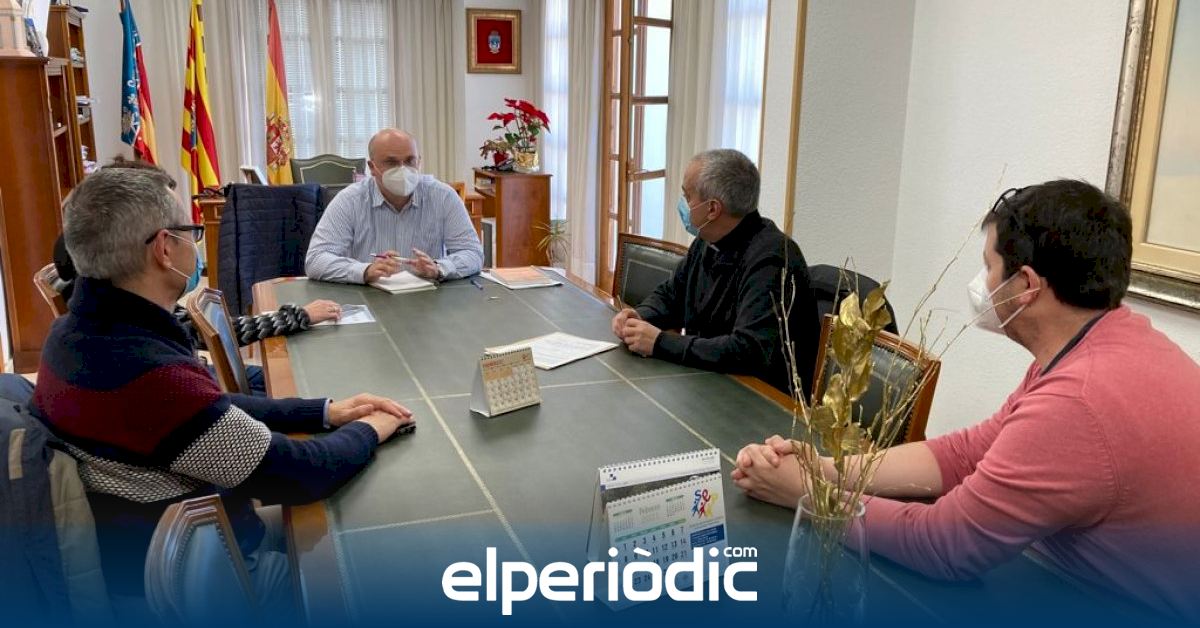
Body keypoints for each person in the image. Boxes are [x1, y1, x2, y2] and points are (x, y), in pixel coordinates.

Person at [732, 180, 1200, 621]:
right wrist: (826, 469)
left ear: (1026, 286)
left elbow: (945, 545)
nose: (982, 282)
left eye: (989, 266)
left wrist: (810, 496)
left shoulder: (1079, 399)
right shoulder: (1102, 342)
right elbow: (968, 452)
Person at [31, 167, 416, 616]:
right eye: (190, 231)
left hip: (160, 550)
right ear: (164, 248)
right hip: (220, 581)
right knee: (393, 575)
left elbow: (209, 407)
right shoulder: (146, 375)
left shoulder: (76, 334)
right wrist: (374, 428)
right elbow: (300, 474)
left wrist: (322, 412)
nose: (195, 244)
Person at [609, 149, 819, 394]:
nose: (683, 204)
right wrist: (640, 316)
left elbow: (747, 350)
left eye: (687, 197)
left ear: (712, 209)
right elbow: (672, 295)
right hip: (708, 378)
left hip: (759, 397)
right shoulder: (707, 240)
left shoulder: (772, 259)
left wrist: (660, 342)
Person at [305, 128, 483, 284]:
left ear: (419, 162)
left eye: (410, 161)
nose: (402, 169)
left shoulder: (443, 196)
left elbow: (473, 253)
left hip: (429, 297)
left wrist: (439, 268)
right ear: (372, 167)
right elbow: (316, 260)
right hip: (369, 297)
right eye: (391, 162)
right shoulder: (350, 200)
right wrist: (365, 271)